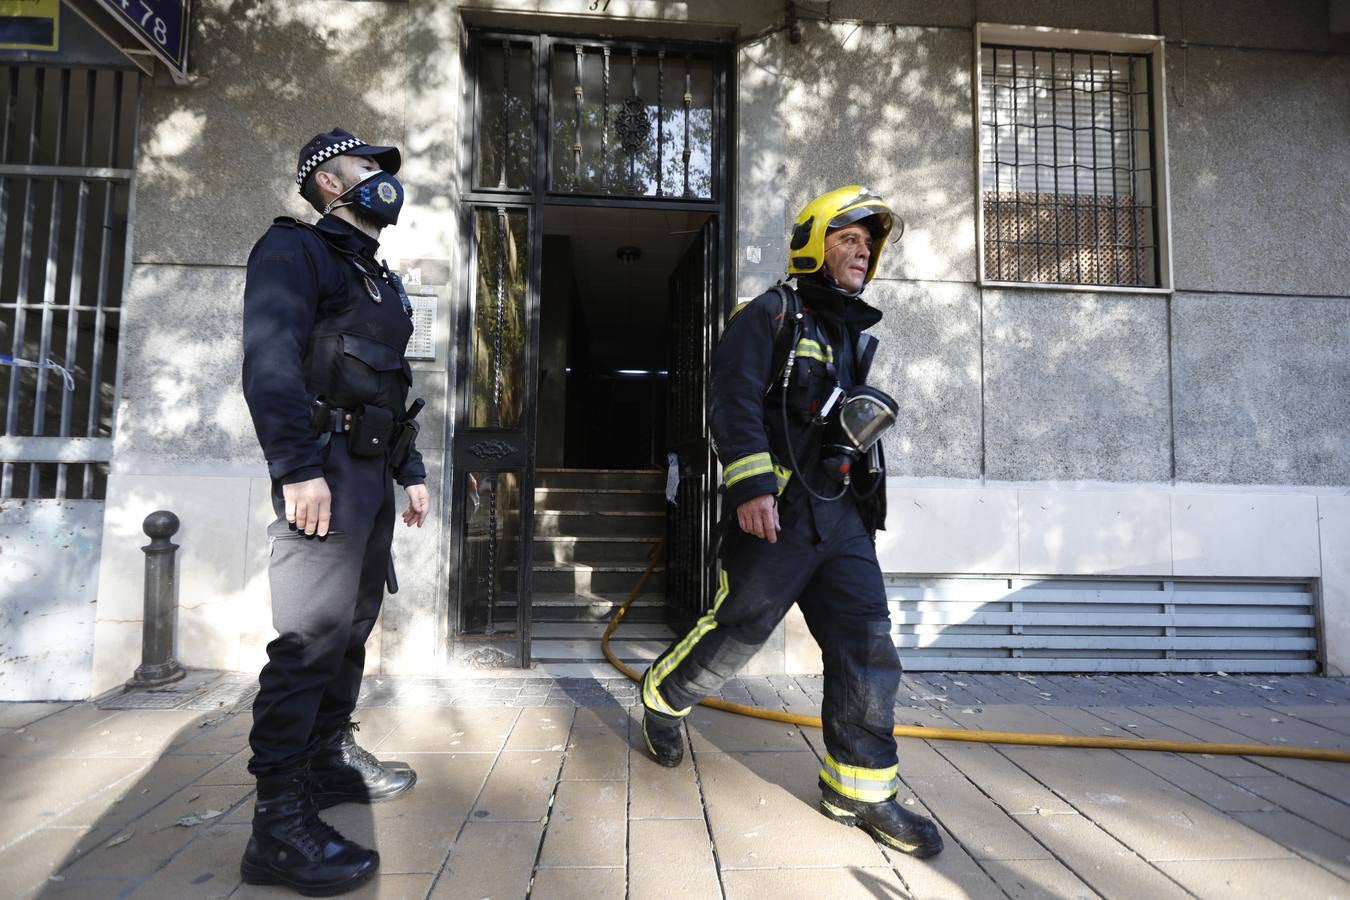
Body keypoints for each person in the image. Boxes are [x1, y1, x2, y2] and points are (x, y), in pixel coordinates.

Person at [639, 186, 944, 858]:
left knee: (866, 645)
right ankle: (664, 694)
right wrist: (750, 485)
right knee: (739, 630)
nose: (862, 250)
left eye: (869, 243)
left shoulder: (848, 335)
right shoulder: (770, 313)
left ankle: (859, 790)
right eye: (848, 238)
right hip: (775, 512)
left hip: (841, 517)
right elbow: (733, 398)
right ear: (814, 242)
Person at [239, 128, 431, 895]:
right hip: (321, 469)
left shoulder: (378, 277)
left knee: (352, 627)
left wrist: (410, 471)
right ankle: (277, 824)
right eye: (365, 167)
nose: (382, 177)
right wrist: (296, 468)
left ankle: (326, 756)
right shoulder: (294, 252)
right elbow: (271, 359)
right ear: (325, 182)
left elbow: (388, 384)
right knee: (311, 635)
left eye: (385, 167)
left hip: (369, 475)